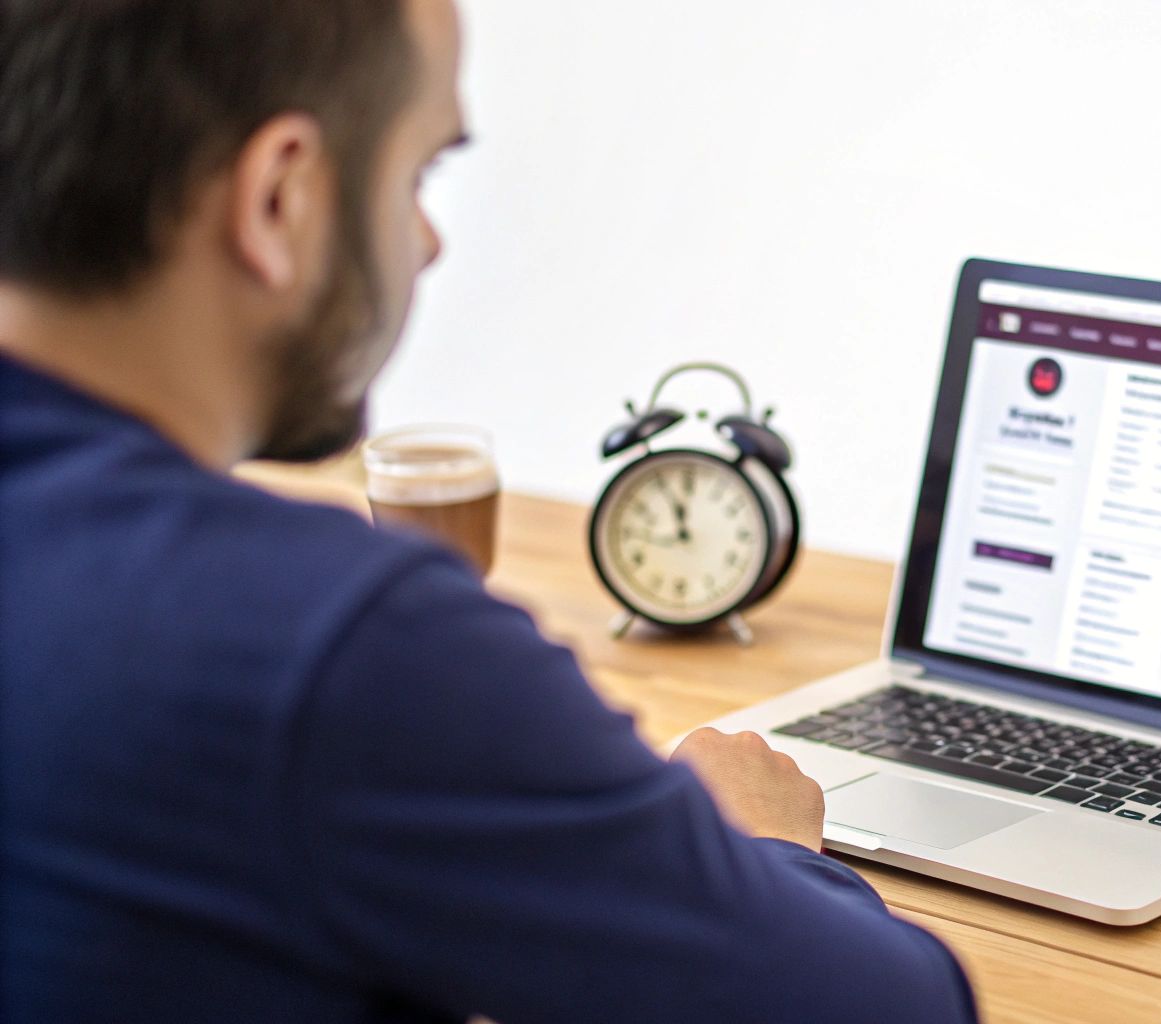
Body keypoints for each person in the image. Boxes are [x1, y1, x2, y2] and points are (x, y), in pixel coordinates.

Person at [0, 3, 976, 1022]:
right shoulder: (336, 645)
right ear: (280, 197)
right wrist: (762, 853)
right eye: (418, 174)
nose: (427, 243)